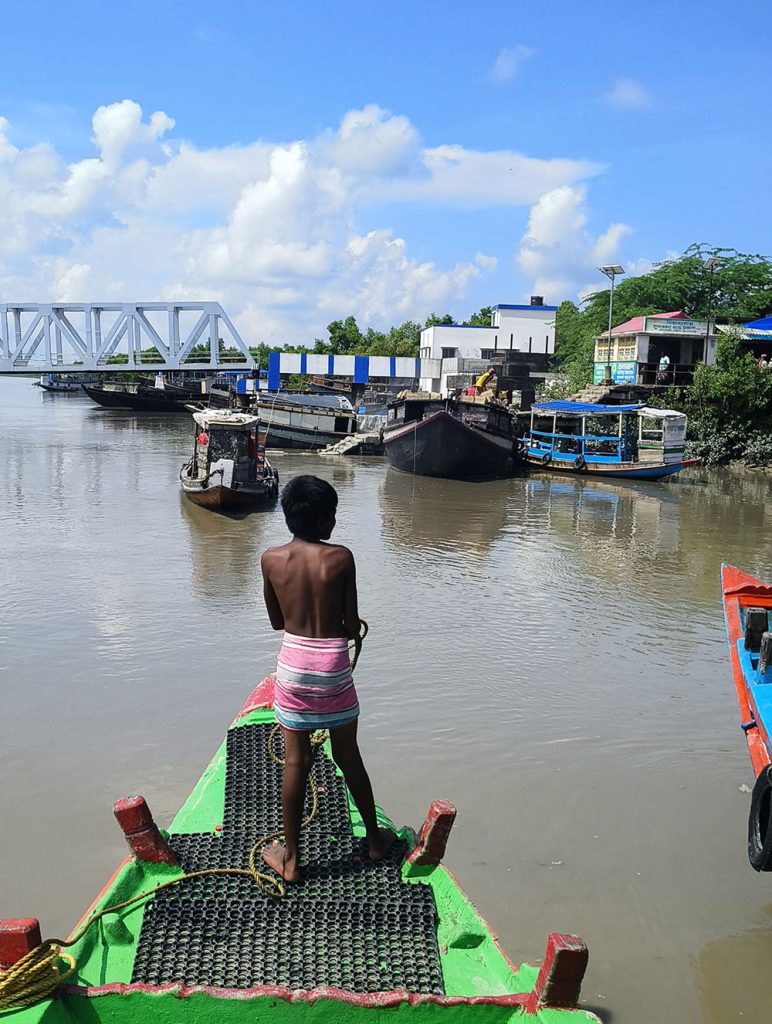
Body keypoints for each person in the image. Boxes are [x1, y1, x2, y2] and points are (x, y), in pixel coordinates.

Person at [260, 475, 394, 882]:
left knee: (297, 761)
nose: (334, 522)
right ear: (322, 521)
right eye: (332, 515)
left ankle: (292, 860)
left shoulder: (270, 558)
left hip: (294, 664)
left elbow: (277, 622)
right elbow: (351, 623)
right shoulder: (341, 558)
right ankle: (374, 840)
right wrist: (348, 629)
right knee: (347, 754)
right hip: (332, 665)